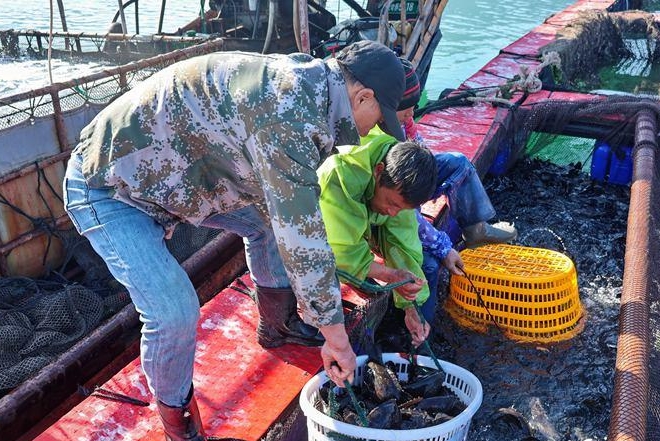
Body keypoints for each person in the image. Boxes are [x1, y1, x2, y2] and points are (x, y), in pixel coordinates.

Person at [62, 40, 406, 441]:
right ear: (362, 97)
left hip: (178, 177)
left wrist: (324, 317)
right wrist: (337, 340)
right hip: (111, 187)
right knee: (174, 312)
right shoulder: (290, 115)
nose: (371, 131)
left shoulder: (311, 85)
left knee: (269, 224)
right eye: (379, 118)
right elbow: (304, 241)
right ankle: (180, 425)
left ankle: (277, 325)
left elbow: (292, 219)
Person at [395, 58, 518, 322]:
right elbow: (404, 213)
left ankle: (476, 229)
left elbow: (422, 153)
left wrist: (425, 170)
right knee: (429, 264)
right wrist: (443, 247)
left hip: (406, 188)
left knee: (458, 163)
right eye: (406, 109)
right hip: (395, 205)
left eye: (414, 108)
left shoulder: (404, 121)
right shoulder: (380, 142)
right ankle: (423, 332)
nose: (410, 114)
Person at [317, 136, 438, 348]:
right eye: (391, 204)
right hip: (307, 229)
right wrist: (390, 275)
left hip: (357, 225)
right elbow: (341, 253)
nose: (393, 213)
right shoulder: (341, 175)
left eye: (401, 209)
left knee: (429, 265)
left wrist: (411, 307)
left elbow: (403, 245)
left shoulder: (399, 183)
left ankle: (417, 341)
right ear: (379, 170)